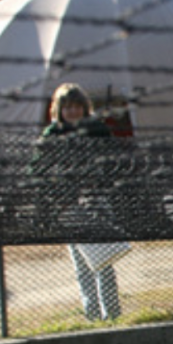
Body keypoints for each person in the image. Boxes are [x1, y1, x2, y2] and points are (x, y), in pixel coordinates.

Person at [39, 83, 128, 321]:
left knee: (103, 260)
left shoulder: (97, 130)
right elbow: (39, 170)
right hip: (69, 206)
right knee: (82, 264)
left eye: (76, 106)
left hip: (96, 201)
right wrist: (57, 194)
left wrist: (99, 182)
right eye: (67, 107)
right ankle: (92, 316)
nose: (72, 112)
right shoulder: (52, 135)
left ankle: (112, 314)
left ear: (84, 107)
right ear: (59, 110)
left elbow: (114, 161)